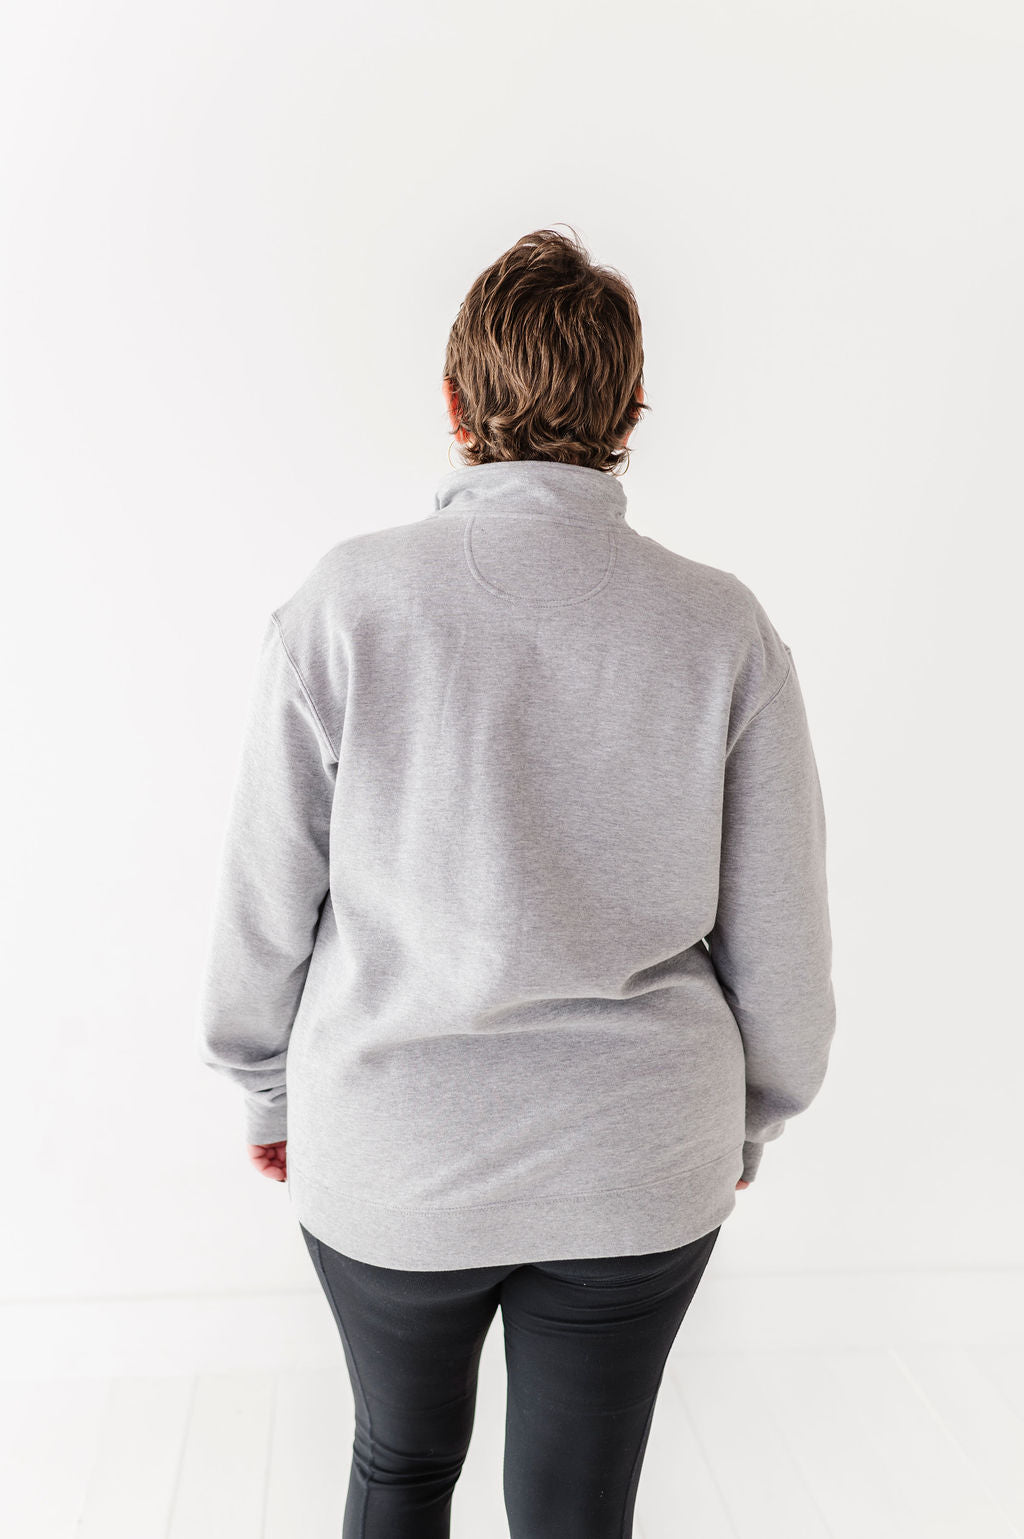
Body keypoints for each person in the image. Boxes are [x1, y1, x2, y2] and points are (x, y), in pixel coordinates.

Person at [197, 225, 836, 1538]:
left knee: (399, 1465)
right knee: (576, 1509)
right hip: (637, 1153)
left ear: (454, 402)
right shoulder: (722, 627)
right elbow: (784, 942)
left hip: (392, 1149)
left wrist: (265, 1086)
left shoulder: (346, 605)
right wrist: (749, 1120)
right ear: (630, 410)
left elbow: (266, 898)